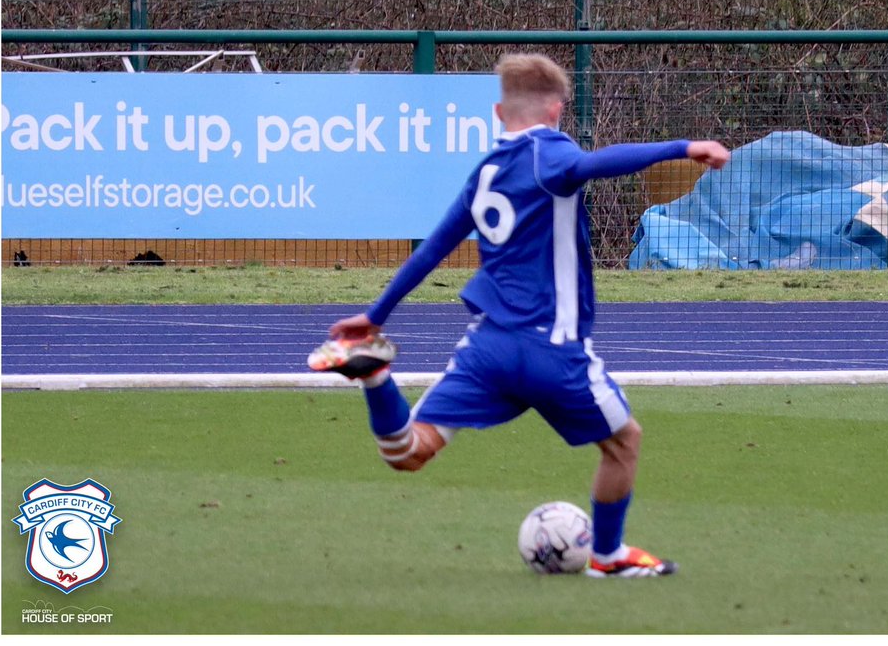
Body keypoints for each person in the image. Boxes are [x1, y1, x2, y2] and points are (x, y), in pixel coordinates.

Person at [310, 53, 729, 578]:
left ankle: (375, 376)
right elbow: (597, 163)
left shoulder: (485, 173)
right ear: (557, 110)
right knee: (625, 443)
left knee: (408, 451)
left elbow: (432, 249)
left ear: (496, 111)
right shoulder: (551, 155)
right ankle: (608, 555)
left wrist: (376, 316)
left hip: (488, 347)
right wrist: (684, 148)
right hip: (552, 347)